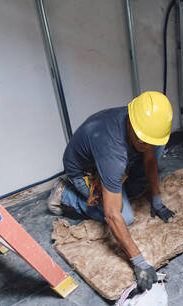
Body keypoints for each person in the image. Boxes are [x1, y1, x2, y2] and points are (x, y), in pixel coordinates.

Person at [47, 91, 175, 292]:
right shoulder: (113, 151)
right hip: (83, 170)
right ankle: (65, 193)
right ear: (131, 124)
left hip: (111, 163)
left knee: (156, 149)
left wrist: (157, 199)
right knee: (124, 216)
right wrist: (138, 261)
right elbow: (112, 214)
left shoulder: (144, 124)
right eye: (144, 141)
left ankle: (117, 183)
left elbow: (149, 157)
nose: (147, 145)